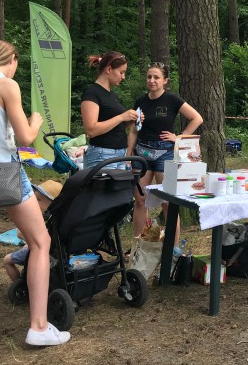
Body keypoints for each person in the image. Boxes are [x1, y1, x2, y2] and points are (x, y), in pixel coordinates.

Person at [0, 40, 70, 355]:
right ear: (12, 60)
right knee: (40, 242)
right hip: (5, 171)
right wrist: (36, 119)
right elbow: (26, 137)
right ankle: (38, 327)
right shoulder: (7, 85)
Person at [128, 62, 203, 239]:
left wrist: (179, 137)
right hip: (142, 154)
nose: (152, 80)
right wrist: (128, 152)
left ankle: (173, 249)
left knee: (168, 203)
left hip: (165, 155)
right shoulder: (141, 102)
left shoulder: (172, 100)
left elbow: (197, 118)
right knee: (140, 201)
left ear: (165, 80)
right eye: (149, 77)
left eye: (156, 77)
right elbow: (134, 130)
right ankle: (139, 246)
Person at [81, 52, 138, 169]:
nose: (123, 77)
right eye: (121, 72)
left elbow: (115, 127)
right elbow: (91, 130)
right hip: (102, 155)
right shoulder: (92, 93)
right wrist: (121, 117)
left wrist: (131, 120)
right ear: (109, 69)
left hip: (120, 154)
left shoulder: (112, 95)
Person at [2, 180, 63, 281]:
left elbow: (20, 235)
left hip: (43, 252)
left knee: (7, 260)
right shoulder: (61, 218)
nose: (34, 201)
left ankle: (21, 287)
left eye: (38, 199)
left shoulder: (40, 218)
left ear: (52, 204)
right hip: (57, 252)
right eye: (34, 197)